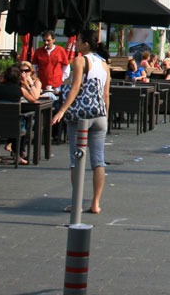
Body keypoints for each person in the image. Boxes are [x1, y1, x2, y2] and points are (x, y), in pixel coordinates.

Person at [52, 29, 110, 215]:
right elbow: (105, 94)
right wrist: (106, 115)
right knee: (98, 161)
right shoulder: (104, 64)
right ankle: (95, 203)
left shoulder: (79, 60)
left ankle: (76, 202)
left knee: (76, 159)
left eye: (78, 41)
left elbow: (75, 87)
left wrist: (61, 110)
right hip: (100, 114)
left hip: (81, 115)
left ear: (86, 44)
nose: (75, 44)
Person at [0, 64, 40, 164]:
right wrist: (26, 84)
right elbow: (34, 99)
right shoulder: (20, 89)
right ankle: (18, 153)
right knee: (25, 121)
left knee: (15, 121)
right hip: (14, 125)